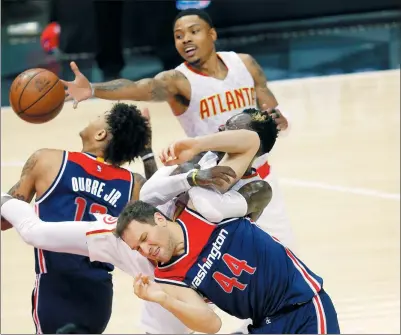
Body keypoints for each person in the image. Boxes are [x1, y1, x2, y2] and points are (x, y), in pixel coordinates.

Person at [1, 123, 275, 334]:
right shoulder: (198, 164)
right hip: (128, 245)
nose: (223, 129)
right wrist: (191, 167)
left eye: (231, 128)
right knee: (33, 232)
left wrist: (191, 180)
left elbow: (211, 323)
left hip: (172, 277)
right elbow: (151, 195)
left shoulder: (240, 191)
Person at [60, 8, 295, 250]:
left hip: (261, 176)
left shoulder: (244, 63)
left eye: (194, 32)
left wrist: (282, 120)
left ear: (212, 34)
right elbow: (141, 87)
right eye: (179, 36)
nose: (186, 40)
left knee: (286, 252)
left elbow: (272, 110)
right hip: (217, 186)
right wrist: (93, 89)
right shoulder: (178, 81)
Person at [1, 103, 155, 334]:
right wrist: (148, 153)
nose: (94, 117)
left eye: (101, 116)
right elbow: (160, 209)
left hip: (55, 287)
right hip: (98, 293)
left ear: (101, 133)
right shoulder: (135, 185)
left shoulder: (48, 161)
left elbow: (5, 219)